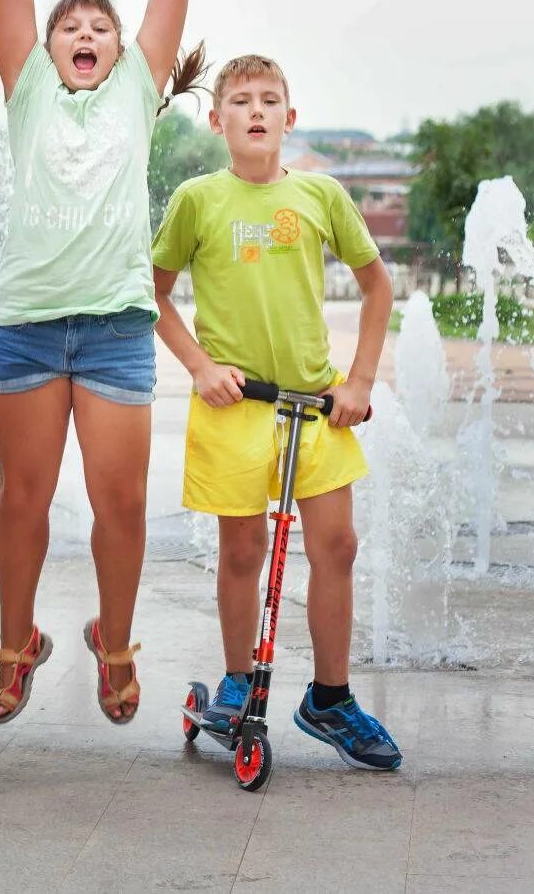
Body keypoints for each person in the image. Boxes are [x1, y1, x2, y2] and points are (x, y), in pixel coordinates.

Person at [0, 0, 198, 726]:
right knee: (22, 501)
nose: (83, 31)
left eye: (99, 27)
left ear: (121, 53)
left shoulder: (136, 98)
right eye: (70, 23)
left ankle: (114, 639)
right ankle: (16, 639)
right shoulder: (28, 88)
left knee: (120, 504)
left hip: (112, 327)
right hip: (31, 324)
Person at [152, 53, 401, 770]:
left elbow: (377, 290)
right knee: (242, 550)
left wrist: (357, 379)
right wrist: (200, 366)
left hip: (315, 403)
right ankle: (236, 681)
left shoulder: (322, 194)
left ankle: (329, 696)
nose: (255, 110)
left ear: (290, 119)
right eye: (240, 100)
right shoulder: (198, 198)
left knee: (338, 546)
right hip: (237, 405)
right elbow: (155, 293)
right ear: (217, 119)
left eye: (269, 100)